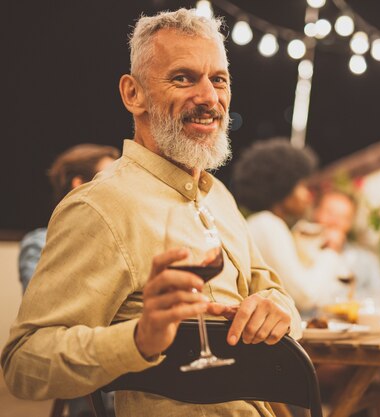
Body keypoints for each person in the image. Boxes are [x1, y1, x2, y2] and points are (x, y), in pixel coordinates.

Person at [2, 9, 300, 417]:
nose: (210, 98)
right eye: (183, 78)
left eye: (218, 79)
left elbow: (276, 293)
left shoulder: (219, 197)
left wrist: (277, 308)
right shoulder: (98, 207)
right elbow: (24, 364)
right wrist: (140, 339)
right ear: (132, 94)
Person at [231, 138, 345, 315]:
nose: (307, 195)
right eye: (302, 186)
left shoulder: (261, 223)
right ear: (282, 187)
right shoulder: (268, 225)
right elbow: (305, 295)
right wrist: (331, 250)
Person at [19, 144, 120, 293]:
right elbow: (42, 303)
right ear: (79, 184)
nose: (119, 187)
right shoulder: (40, 243)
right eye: (110, 177)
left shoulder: (117, 239)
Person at [311, 190, 380, 299]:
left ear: (350, 223)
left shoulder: (366, 260)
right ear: (316, 213)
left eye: (343, 217)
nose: (334, 221)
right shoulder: (298, 253)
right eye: (329, 213)